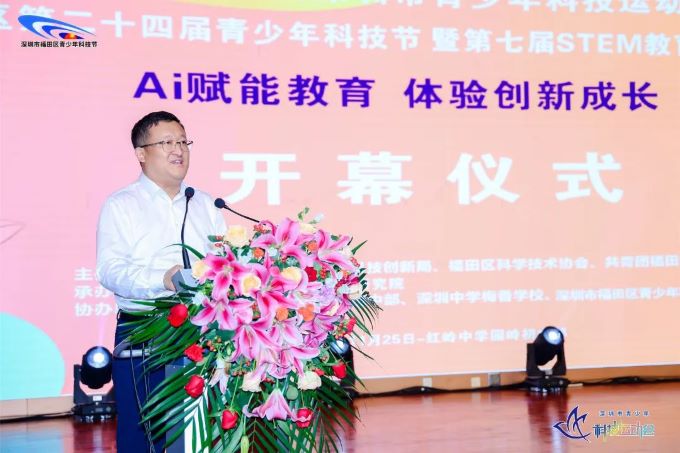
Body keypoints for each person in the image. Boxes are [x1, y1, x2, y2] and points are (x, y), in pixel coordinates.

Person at [96, 111, 226, 452]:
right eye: (167, 142)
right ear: (141, 153)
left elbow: (224, 264)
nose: (178, 150)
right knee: (142, 433)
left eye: (183, 141)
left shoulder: (206, 204)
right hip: (145, 329)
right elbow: (110, 270)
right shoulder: (122, 205)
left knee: (201, 430)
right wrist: (162, 279)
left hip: (201, 330)